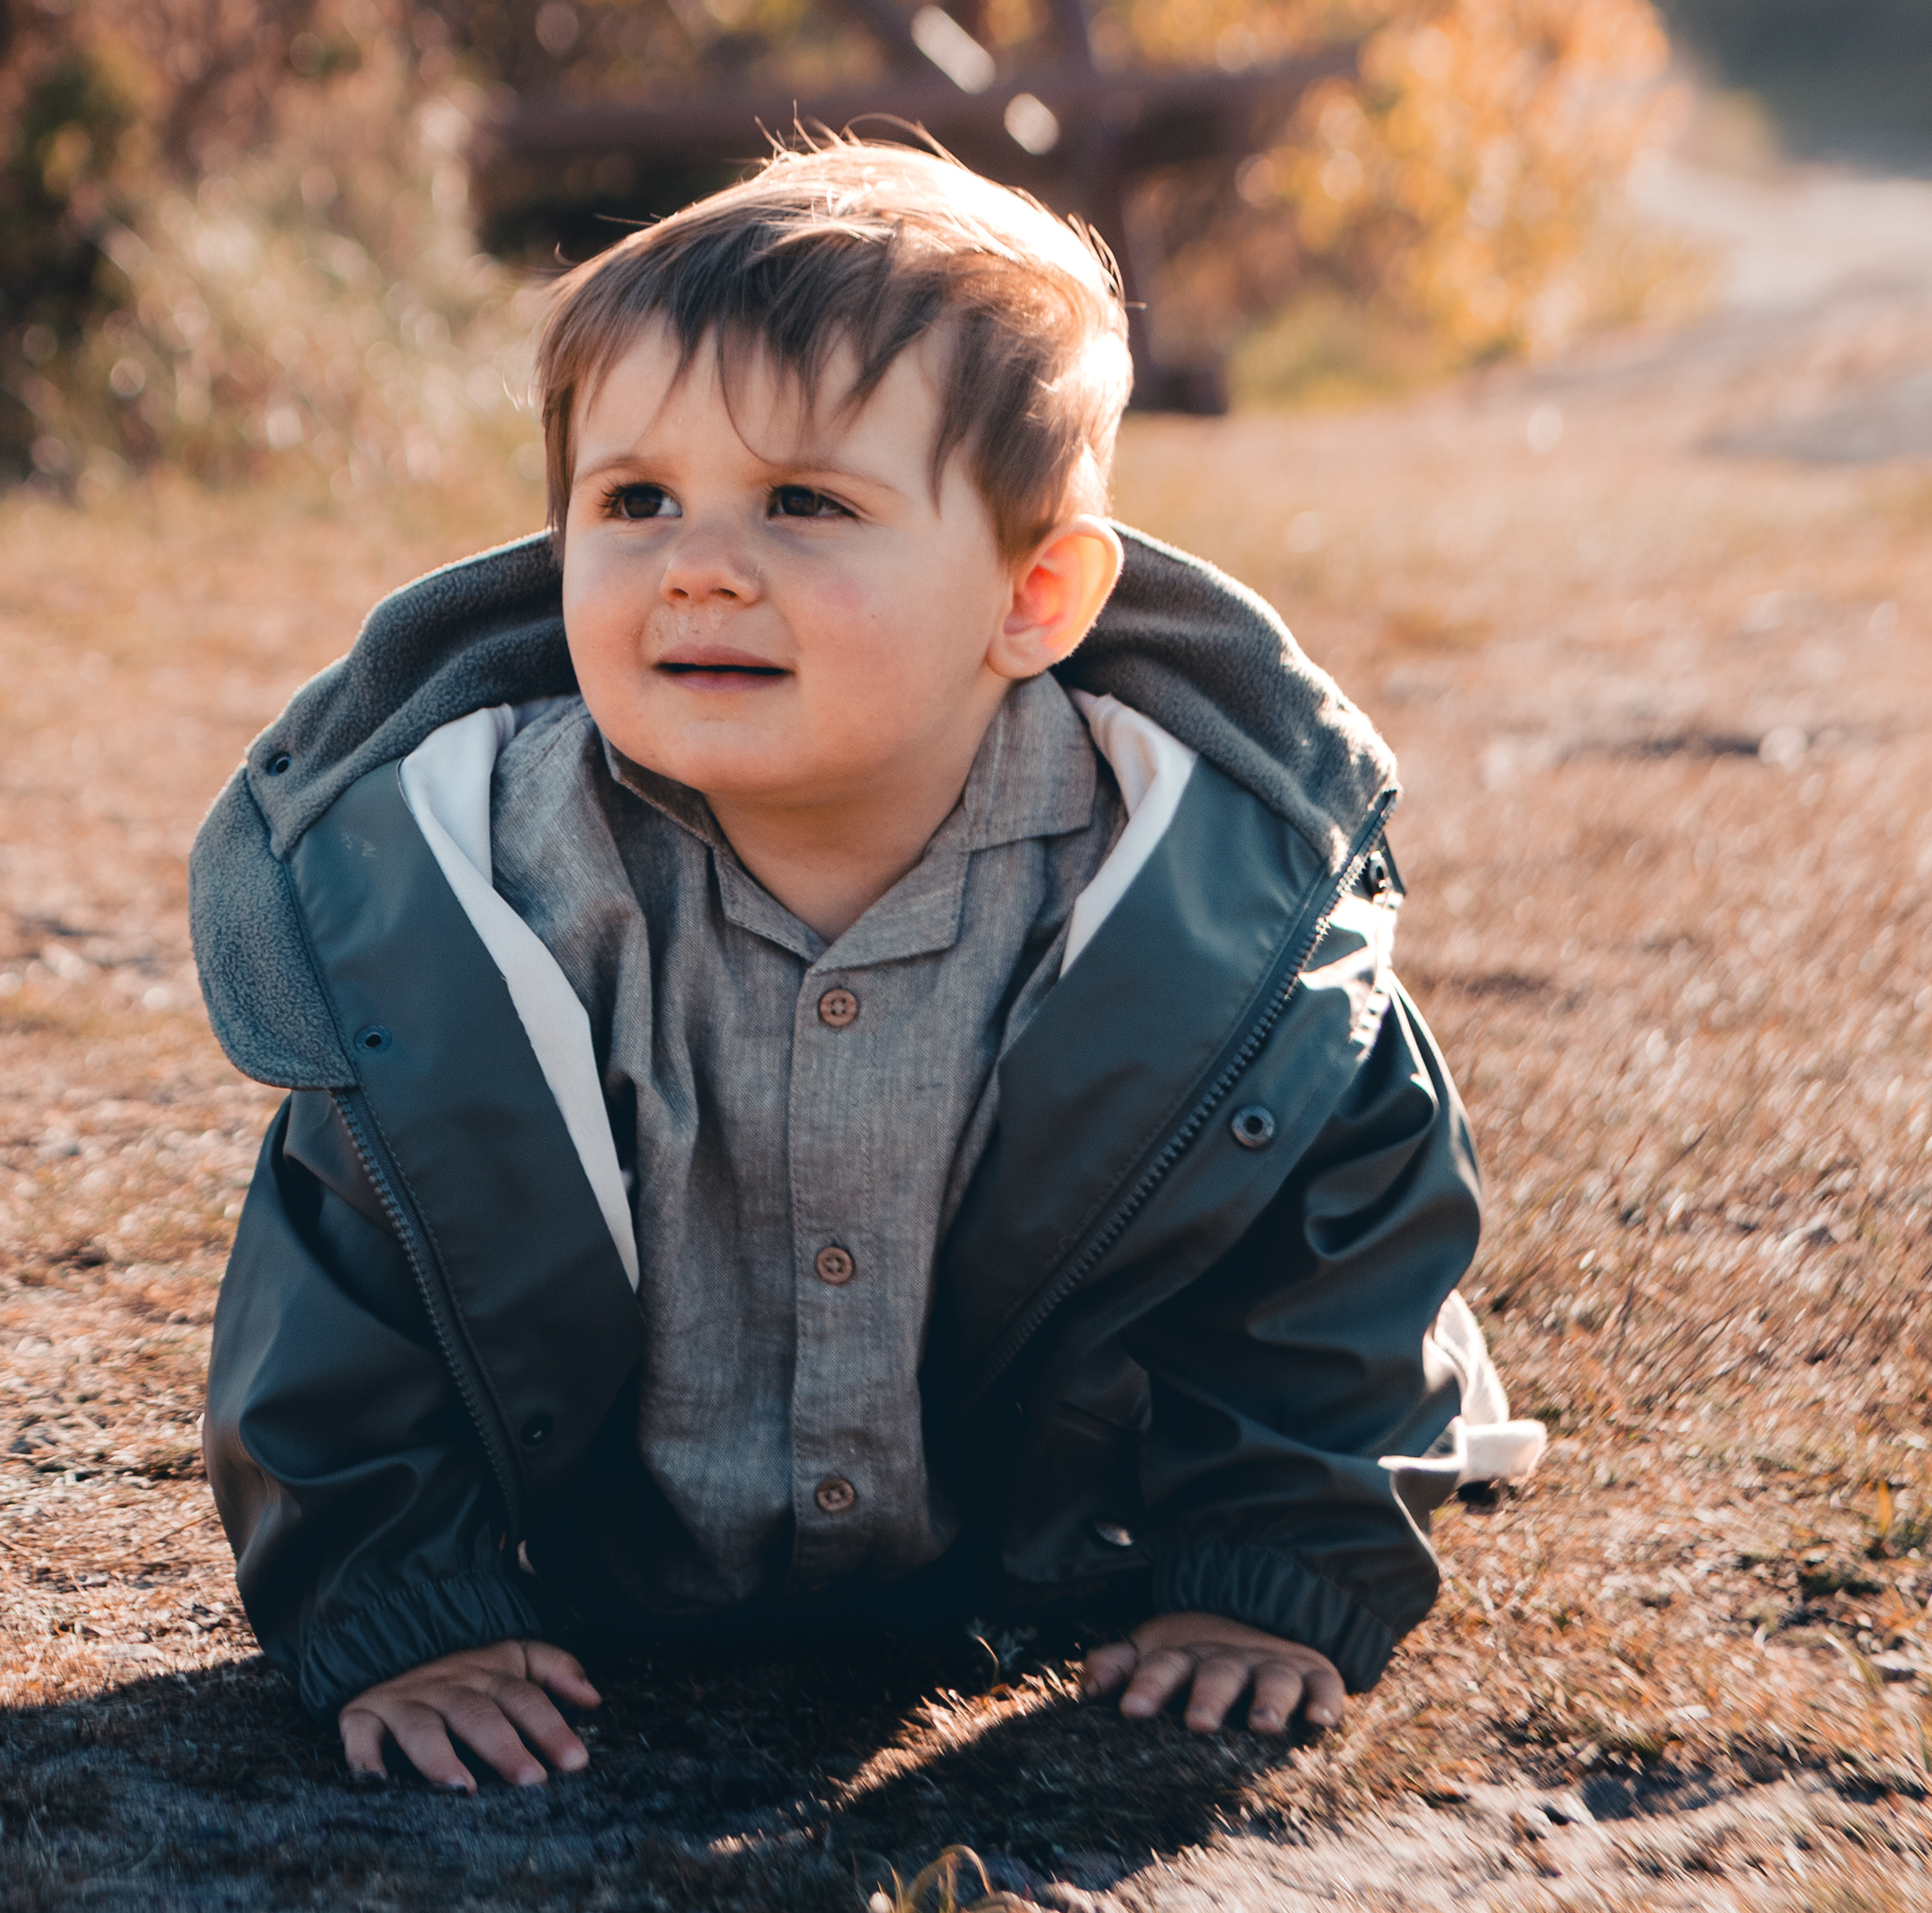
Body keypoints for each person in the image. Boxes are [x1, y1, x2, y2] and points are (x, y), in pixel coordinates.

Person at [186, 139, 1539, 1793]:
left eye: (806, 503)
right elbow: (349, 1277)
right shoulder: (477, 898)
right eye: (633, 501)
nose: (698, 561)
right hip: (615, 1580)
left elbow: (1334, 1242)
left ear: (1034, 593)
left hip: (1070, 1549)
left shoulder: (1190, 902)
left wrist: (1270, 1569)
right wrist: (401, 1598)